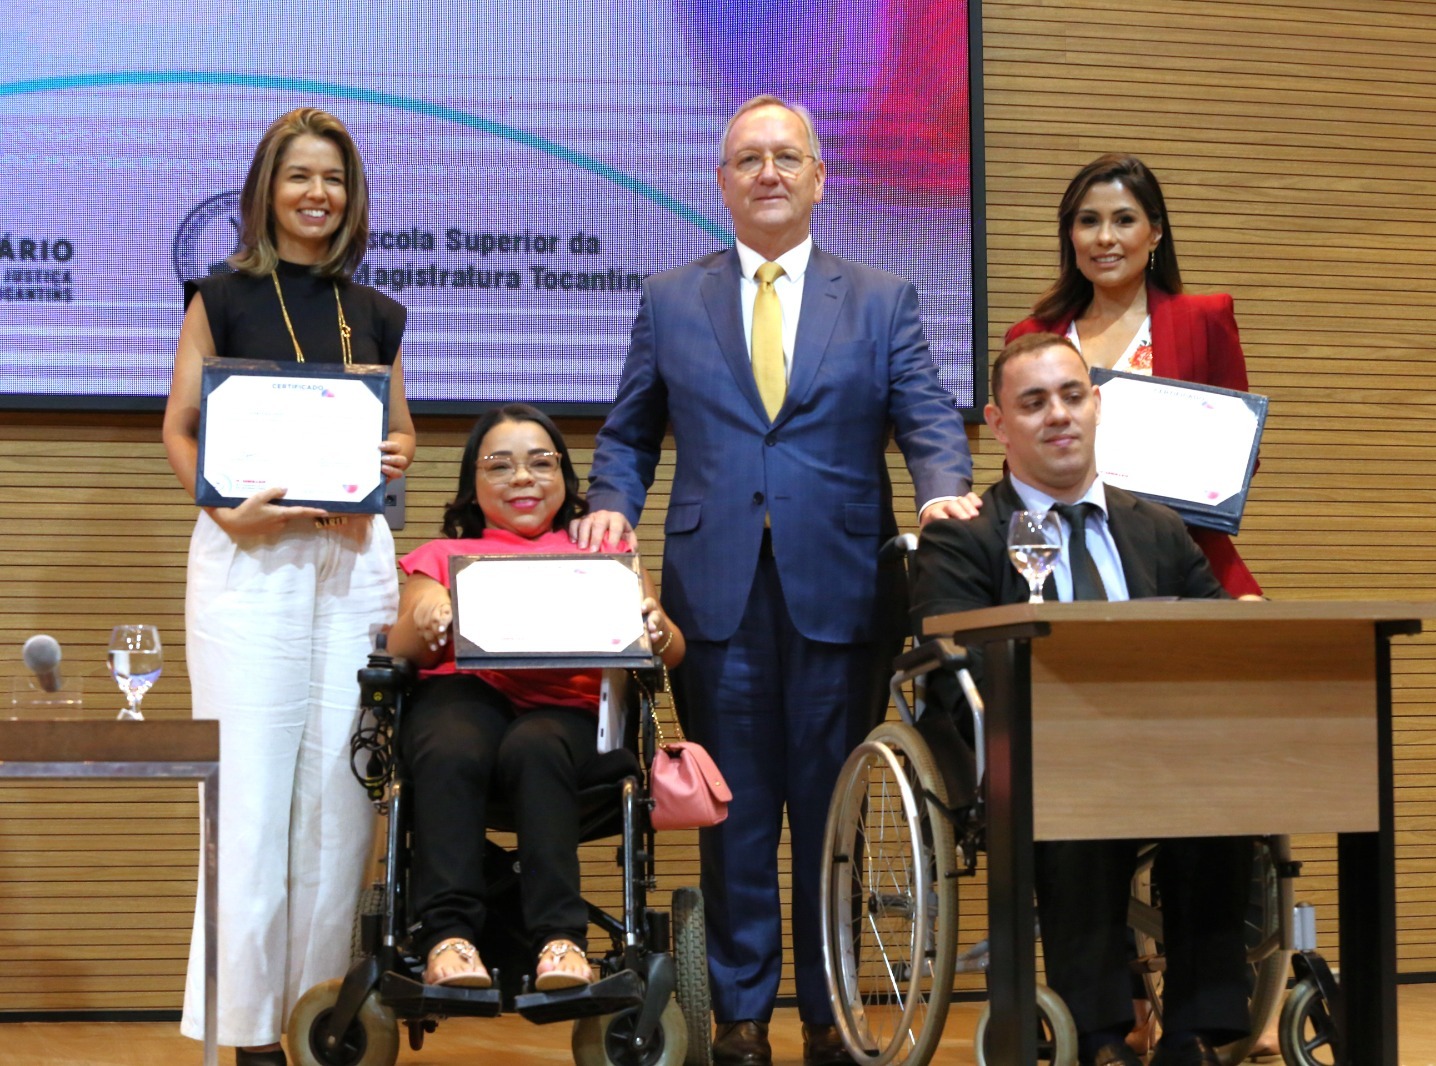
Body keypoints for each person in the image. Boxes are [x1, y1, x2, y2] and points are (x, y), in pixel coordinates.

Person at [574, 94, 978, 1066]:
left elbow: (926, 415)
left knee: (836, 809)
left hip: (844, 588)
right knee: (735, 813)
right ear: (721, 182)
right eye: (748, 158)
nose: (768, 172)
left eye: (786, 156)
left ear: (818, 178)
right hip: (714, 595)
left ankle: (831, 1015)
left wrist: (942, 491)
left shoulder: (880, 298)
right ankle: (744, 1016)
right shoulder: (670, 298)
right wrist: (611, 505)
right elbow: (629, 433)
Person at [913, 332, 1253, 1066]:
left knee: (1228, 785)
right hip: (1033, 750)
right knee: (1070, 782)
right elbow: (951, 671)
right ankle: (1098, 1035)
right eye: (1034, 403)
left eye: (1072, 396)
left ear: (1098, 405)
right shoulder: (965, 536)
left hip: (1162, 748)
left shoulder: (1157, 528)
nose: (1059, 415)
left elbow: (1216, 639)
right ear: (999, 424)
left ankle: (1197, 1032)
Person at [161, 107, 415, 1065]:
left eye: (334, 179)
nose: (318, 194)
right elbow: (180, 428)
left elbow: (400, 433)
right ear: (266, 189)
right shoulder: (222, 297)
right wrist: (226, 511)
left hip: (353, 562)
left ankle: (317, 1020)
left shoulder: (375, 312)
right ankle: (245, 1029)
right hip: (250, 559)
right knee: (252, 800)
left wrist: (393, 455)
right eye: (300, 175)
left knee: (340, 806)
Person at [385, 403, 685, 991]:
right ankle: (448, 937)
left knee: (536, 745)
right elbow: (400, 647)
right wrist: (427, 616)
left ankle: (560, 940)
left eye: (540, 463)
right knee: (452, 742)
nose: (522, 477)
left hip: (568, 719)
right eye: (499, 465)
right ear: (473, 483)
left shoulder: (604, 552)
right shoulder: (443, 557)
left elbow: (671, 651)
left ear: (565, 478)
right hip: (463, 702)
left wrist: (654, 628)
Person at [1006, 152, 1263, 599]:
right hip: (1062, 557)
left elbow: (1238, 455)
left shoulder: (1204, 319)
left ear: (1155, 232)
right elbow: (1017, 458)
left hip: (1183, 555)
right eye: (1089, 221)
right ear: (1071, 235)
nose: (1105, 238)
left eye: (1124, 220)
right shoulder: (1030, 336)